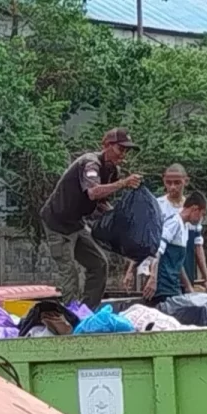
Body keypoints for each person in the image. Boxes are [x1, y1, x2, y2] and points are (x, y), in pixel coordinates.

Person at [39, 128, 142, 306]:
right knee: (70, 272)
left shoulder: (112, 171)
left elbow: (100, 202)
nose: (123, 154)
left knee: (99, 264)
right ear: (107, 146)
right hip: (58, 223)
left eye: (126, 151)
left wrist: (116, 218)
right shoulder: (90, 163)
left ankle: (88, 312)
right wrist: (123, 183)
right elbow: (93, 192)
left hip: (77, 223)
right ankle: (71, 318)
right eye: (120, 149)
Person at [141, 191, 207, 304]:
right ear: (195, 209)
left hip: (173, 286)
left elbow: (178, 264)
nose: (201, 219)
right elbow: (157, 250)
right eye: (202, 214)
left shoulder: (185, 227)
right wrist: (153, 278)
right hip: (162, 288)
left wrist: (188, 287)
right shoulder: (173, 223)